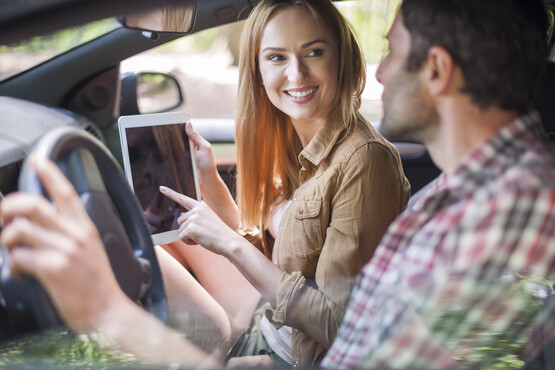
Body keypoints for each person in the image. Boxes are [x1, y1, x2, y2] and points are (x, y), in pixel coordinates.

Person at [0, 0, 410, 368]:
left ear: (342, 57)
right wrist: (211, 184)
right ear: (258, 69)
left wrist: (227, 242)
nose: (296, 72)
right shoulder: (303, 146)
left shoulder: (363, 160)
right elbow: (284, 260)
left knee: (125, 237)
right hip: (271, 320)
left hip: (287, 355)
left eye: (314, 52)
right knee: (168, 223)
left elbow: (339, 326)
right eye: (277, 57)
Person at [321, 0, 555, 368]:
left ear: (436, 69)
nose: (380, 73)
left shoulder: (512, 205)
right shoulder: (461, 191)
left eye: (392, 51)